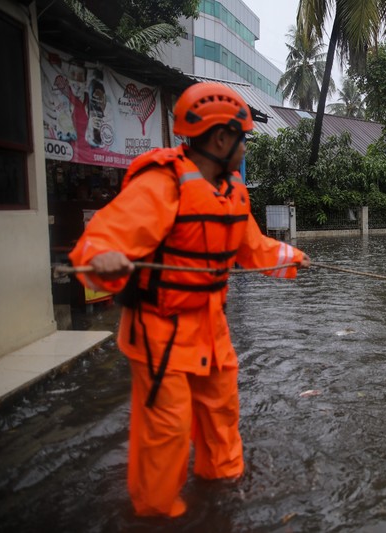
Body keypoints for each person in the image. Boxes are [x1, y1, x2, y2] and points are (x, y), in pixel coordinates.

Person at [69, 82, 311, 518]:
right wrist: (99, 257)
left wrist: (294, 257)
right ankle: (156, 515)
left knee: (222, 413)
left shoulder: (232, 192)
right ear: (221, 139)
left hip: (211, 327)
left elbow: (252, 248)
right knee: (168, 429)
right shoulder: (163, 184)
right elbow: (104, 236)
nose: (244, 147)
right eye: (242, 139)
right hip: (160, 332)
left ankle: (224, 491)